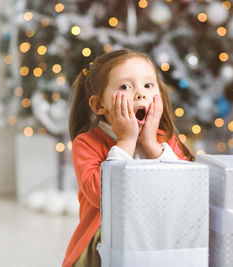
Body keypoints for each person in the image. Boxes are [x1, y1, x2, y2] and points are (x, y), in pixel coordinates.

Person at [63, 48, 194, 267]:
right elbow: (100, 195)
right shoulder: (86, 144)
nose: (141, 94)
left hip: (156, 242)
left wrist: (152, 145)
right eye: (125, 86)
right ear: (98, 105)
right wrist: (126, 141)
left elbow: (188, 187)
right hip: (105, 246)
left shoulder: (165, 141)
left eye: (148, 85)